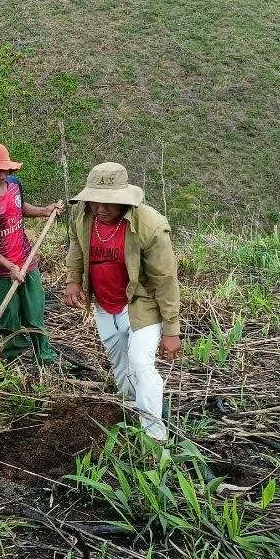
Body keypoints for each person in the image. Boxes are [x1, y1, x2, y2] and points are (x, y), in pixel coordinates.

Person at [64, 162, 182, 443]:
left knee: (141, 365)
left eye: (109, 202)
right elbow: (76, 247)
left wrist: (171, 330)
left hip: (141, 304)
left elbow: (165, 280)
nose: (100, 207)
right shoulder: (82, 214)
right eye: (95, 200)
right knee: (121, 367)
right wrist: (73, 279)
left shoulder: (151, 227)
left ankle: (154, 439)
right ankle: (131, 413)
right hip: (105, 304)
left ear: (124, 199)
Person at [0, 143, 62, 364]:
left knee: (35, 314)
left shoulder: (13, 184)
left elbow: (19, 208)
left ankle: (45, 358)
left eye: (6, 169)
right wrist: (9, 266)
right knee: (9, 319)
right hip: (0, 273)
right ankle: (12, 361)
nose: (3, 174)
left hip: (27, 261)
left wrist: (42, 211)